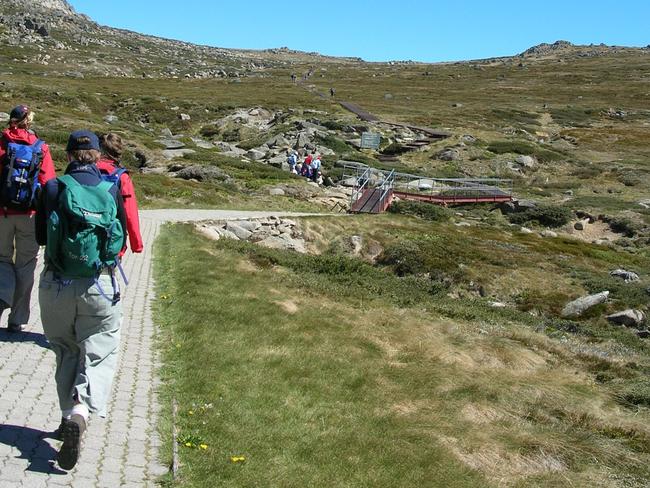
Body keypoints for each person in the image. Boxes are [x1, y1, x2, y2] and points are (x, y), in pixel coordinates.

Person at [36, 130, 127, 471]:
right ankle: (81, 412)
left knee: (65, 350)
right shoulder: (111, 187)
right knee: (99, 353)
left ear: (69, 154)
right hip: (99, 285)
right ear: (97, 154)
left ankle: (65, 417)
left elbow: (43, 236)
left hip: (56, 284)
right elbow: (119, 239)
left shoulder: (53, 188)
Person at [0, 105, 56, 332]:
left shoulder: (3, 144)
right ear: (29, 121)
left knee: (2, 259)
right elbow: (49, 183)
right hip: (30, 215)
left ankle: (2, 299)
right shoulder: (41, 148)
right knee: (25, 265)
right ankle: (18, 319)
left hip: (2, 214)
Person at [97, 133, 143, 255]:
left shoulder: (88, 171)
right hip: (112, 242)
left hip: (84, 238)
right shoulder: (122, 177)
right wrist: (136, 244)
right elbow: (130, 214)